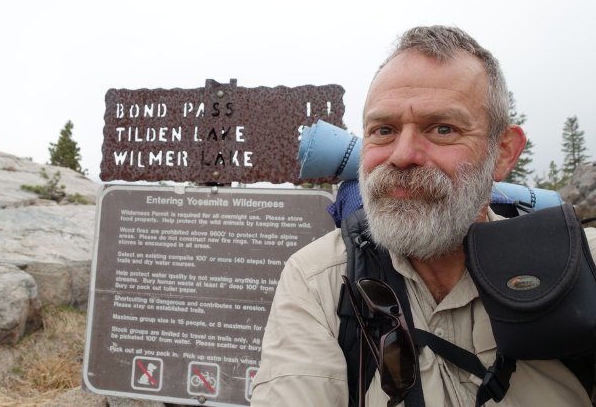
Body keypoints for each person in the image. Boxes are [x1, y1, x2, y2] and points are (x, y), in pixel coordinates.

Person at [251, 25, 596, 406]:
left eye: (442, 129)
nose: (402, 155)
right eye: (383, 130)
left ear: (503, 152)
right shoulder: (321, 279)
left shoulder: (584, 265)